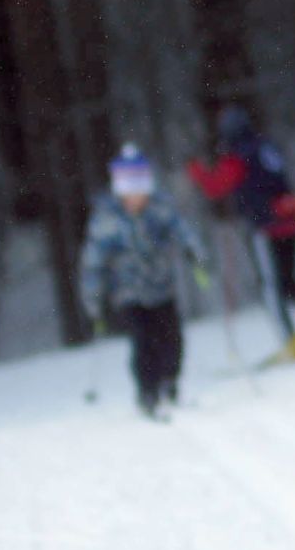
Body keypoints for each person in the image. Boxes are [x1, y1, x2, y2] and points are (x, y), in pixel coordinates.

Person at [188, 105, 295, 363]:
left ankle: (289, 342)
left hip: (267, 226)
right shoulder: (266, 146)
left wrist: (196, 171)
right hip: (291, 219)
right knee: (288, 280)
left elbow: (216, 187)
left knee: (272, 286)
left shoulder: (237, 156)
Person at [80, 145, 209, 419]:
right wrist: (94, 295)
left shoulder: (160, 208)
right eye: (130, 191)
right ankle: (147, 391)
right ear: (120, 191)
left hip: (162, 285)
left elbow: (181, 231)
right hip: (129, 291)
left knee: (171, 338)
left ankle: (169, 381)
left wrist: (195, 253)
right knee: (143, 340)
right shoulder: (108, 218)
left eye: (141, 190)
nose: (137, 198)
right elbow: (94, 260)